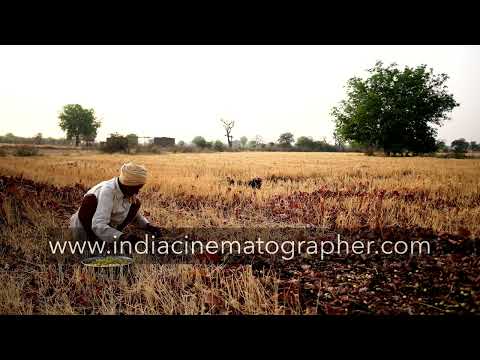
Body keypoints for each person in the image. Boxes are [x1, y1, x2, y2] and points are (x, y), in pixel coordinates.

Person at [69, 162, 162, 251]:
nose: (137, 192)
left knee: (136, 204)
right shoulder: (108, 191)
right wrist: (123, 237)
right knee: (90, 201)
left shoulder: (128, 191)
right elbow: (98, 225)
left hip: (107, 228)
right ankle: (95, 244)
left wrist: (149, 226)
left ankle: (110, 240)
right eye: (136, 188)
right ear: (127, 185)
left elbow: (135, 215)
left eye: (139, 188)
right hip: (86, 229)